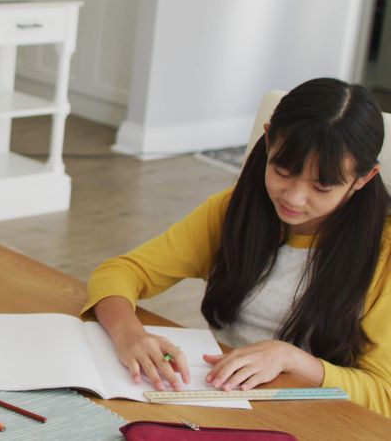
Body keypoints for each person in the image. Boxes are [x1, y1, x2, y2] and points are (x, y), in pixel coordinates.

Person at [83, 77, 391, 417]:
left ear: (364, 178)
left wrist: (292, 359)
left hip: (322, 418)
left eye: (321, 187)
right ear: (269, 138)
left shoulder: (384, 251)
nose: (294, 197)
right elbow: (123, 272)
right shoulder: (237, 211)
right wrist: (129, 334)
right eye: (283, 170)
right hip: (222, 402)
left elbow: (383, 395)